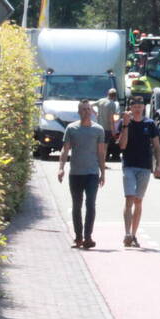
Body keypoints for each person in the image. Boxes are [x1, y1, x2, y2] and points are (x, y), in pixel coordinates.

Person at [58, 99, 106, 249]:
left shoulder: (98, 130)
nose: (86, 112)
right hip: (76, 173)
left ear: (92, 112)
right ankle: (78, 237)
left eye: (88, 109)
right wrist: (61, 167)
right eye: (83, 109)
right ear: (79, 112)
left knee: (90, 204)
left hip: (92, 173)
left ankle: (88, 237)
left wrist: (103, 172)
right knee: (76, 205)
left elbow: (100, 152)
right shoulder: (71, 129)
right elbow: (65, 149)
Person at [117, 96, 160, 248]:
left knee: (138, 200)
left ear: (144, 107)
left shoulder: (149, 124)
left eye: (140, 105)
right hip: (129, 165)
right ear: (130, 108)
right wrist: (125, 125)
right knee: (129, 198)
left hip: (145, 167)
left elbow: (156, 146)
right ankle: (127, 233)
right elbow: (122, 146)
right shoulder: (125, 123)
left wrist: (159, 166)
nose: (137, 108)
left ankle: (134, 234)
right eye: (134, 106)